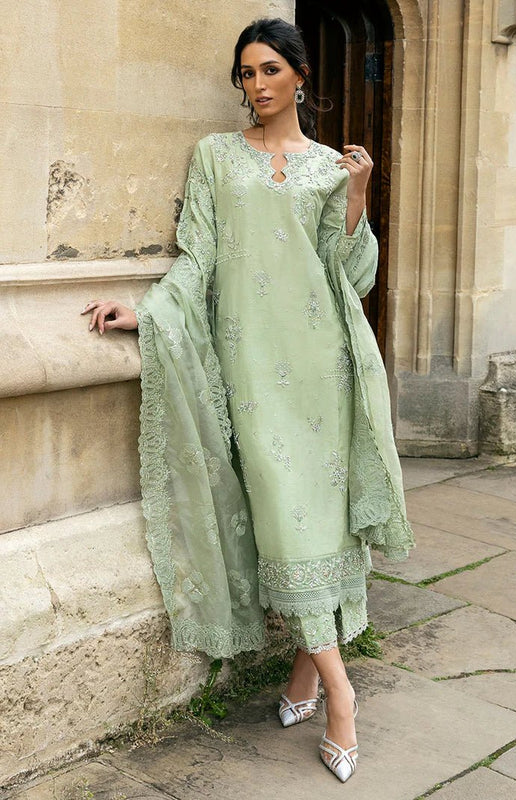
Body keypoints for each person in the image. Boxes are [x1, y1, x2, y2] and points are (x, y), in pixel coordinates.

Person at [81, 17, 415, 783]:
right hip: (254, 373)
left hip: (324, 370)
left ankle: (309, 678)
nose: (256, 86)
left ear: (300, 75)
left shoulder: (331, 167)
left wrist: (358, 192)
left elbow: (351, 275)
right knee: (283, 513)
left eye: (269, 70)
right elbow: (198, 257)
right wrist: (148, 311)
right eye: (245, 74)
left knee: (320, 521)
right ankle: (341, 692)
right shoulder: (215, 158)